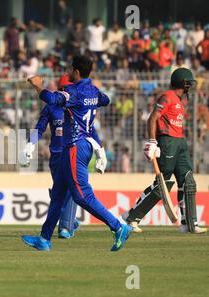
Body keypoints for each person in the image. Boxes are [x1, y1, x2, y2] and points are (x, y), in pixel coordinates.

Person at [22, 55, 132, 252]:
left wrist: (38, 86)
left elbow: (52, 98)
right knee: (57, 196)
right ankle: (44, 238)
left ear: (77, 72)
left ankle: (118, 226)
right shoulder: (94, 91)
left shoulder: (74, 91)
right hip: (74, 147)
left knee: (82, 195)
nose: (68, 72)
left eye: (71, 69)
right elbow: (105, 100)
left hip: (75, 145)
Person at [22, 73, 108, 239]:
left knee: (70, 189)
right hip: (56, 155)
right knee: (60, 191)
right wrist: (30, 144)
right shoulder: (51, 107)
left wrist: (100, 152)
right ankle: (69, 220)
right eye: (62, 90)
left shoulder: (78, 108)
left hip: (73, 151)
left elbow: (90, 130)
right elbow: (39, 128)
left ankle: (66, 227)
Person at [122, 68, 207, 234]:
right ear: (182, 82)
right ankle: (131, 217)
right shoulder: (167, 97)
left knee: (188, 181)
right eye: (189, 82)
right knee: (163, 185)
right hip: (167, 141)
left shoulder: (181, 101)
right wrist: (152, 141)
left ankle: (189, 223)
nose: (191, 85)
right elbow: (152, 118)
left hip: (180, 142)